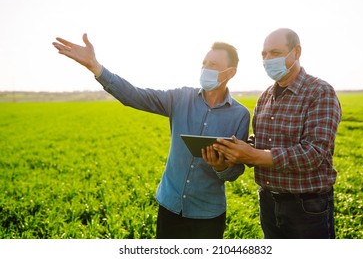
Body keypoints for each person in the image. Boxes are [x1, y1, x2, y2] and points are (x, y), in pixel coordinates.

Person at [52, 34, 250, 239]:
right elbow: (135, 96)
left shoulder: (240, 115)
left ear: (230, 72)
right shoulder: (180, 98)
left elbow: (236, 170)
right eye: (204, 63)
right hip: (170, 206)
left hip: (209, 213)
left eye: (213, 65)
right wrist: (96, 67)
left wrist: (221, 167)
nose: (206, 68)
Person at [210, 28, 342, 239]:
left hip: (306, 207)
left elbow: (315, 153)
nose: (268, 59)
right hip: (268, 202)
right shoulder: (264, 97)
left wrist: (253, 155)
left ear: (296, 52)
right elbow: (261, 143)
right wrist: (232, 150)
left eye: (275, 53)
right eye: (264, 54)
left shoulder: (319, 92)